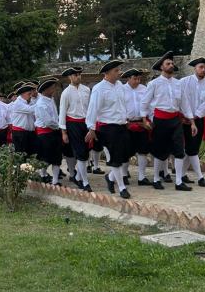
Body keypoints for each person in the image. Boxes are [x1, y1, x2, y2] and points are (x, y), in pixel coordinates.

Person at [140, 50, 196, 191]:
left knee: (179, 150)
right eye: (168, 63)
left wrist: (192, 121)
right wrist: (144, 119)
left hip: (175, 120)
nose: (171, 65)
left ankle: (178, 182)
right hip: (160, 120)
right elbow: (144, 103)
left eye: (172, 63)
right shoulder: (154, 84)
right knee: (160, 151)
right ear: (161, 67)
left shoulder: (179, 84)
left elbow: (185, 104)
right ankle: (156, 179)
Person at [85, 60, 131, 198]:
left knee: (125, 155)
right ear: (108, 73)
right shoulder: (99, 88)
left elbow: (122, 105)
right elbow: (93, 109)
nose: (119, 72)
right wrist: (91, 128)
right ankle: (122, 187)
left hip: (121, 125)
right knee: (114, 157)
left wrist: (126, 119)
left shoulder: (120, 86)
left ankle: (110, 178)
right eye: (116, 70)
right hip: (107, 127)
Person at [180, 57, 205, 187]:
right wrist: (187, 116)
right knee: (190, 149)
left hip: (198, 119)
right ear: (195, 68)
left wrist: (194, 117)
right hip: (184, 119)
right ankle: (200, 177)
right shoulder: (184, 82)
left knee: (193, 148)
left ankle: (182, 174)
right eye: (201, 67)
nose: (203, 70)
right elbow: (182, 100)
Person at [58, 67, 93, 192]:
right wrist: (63, 132)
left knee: (86, 151)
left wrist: (92, 126)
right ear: (70, 77)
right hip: (73, 124)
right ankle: (85, 181)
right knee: (81, 153)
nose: (77, 77)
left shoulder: (86, 90)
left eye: (79, 74)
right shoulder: (66, 93)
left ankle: (78, 177)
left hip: (86, 123)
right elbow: (62, 112)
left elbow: (90, 108)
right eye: (75, 75)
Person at [121, 68, 151, 186]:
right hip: (126, 124)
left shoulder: (144, 89)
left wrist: (148, 121)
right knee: (126, 151)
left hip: (141, 123)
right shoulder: (122, 90)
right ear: (128, 78)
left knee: (143, 151)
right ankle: (123, 175)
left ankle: (142, 177)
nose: (137, 81)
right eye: (135, 78)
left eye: (139, 78)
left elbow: (149, 105)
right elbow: (119, 107)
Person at [34, 78, 63, 186]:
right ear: (45, 90)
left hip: (54, 132)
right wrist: (60, 125)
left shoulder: (50, 100)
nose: (54, 90)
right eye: (52, 88)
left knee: (57, 157)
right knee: (45, 157)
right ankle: (43, 175)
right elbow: (48, 121)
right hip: (45, 134)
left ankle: (55, 181)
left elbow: (55, 116)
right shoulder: (40, 104)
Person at [8, 83, 37, 157]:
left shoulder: (29, 101)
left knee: (31, 156)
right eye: (29, 94)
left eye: (31, 94)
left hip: (29, 133)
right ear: (22, 94)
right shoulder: (18, 103)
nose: (31, 96)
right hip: (20, 133)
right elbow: (32, 109)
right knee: (22, 157)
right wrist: (42, 102)